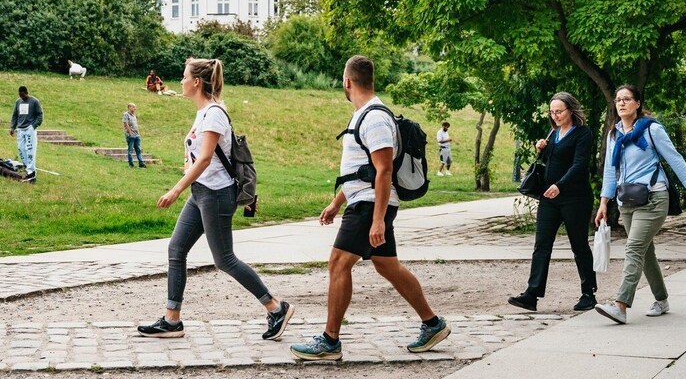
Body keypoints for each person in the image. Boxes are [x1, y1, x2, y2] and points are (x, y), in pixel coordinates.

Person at [290, 55, 450, 361]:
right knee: (387, 265)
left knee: (338, 262)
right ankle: (432, 324)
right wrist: (337, 202)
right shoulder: (364, 114)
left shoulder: (375, 118)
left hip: (369, 206)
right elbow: (360, 169)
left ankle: (330, 341)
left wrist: (377, 220)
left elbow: (384, 171)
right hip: (366, 201)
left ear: (347, 82)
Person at [138, 57, 293, 340]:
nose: (181, 81)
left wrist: (175, 190)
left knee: (224, 259)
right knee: (176, 249)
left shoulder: (214, 114)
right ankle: (172, 320)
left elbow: (206, 158)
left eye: (185, 76)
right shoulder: (203, 113)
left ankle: (276, 307)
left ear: (197, 82)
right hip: (201, 193)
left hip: (216, 194)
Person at [594, 85, 686, 324]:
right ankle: (662, 300)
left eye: (627, 99)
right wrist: (604, 202)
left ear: (638, 103)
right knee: (645, 251)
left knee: (633, 248)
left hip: (653, 198)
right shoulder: (614, 134)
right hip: (627, 201)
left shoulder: (651, 129)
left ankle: (620, 305)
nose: (621, 103)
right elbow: (611, 172)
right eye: (618, 100)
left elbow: (673, 157)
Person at [508, 92, 598, 313]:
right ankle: (532, 294)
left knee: (579, 245)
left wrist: (560, 185)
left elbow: (579, 165)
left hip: (575, 198)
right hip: (549, 198)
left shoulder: (583, 134)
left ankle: (589, 294)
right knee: (541, 245)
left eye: (559, 111)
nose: (555, 115)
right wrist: (542, 149)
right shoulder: (554, 133)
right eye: (552, 112)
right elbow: (553, 161)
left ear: (571, 110)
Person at [9, 86, 43, 184]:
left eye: (23, 95)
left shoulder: (34, 101)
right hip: (20, 129)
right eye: (20, 95)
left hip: (29, 128)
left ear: (26, 92)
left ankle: (32, 173)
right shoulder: (18, 102)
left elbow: (40, 114)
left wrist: (34, 126)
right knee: (20, 149)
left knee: (30, 150)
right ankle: (27, 168)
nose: (22, 97)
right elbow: (15, 115)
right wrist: (12, 127)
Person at [122, 103, 146, 168]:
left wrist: (138, 133)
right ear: (129, 107)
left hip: (136, 135)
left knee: (138, 149)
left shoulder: (134, 115)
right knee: (130, 150)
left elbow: (136, 125)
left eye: (135, 107)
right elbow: (126, 124)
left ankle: (141, 163)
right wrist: (130, 133)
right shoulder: (126, 115)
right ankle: (131, 164)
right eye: (133, 107)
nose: (135, 108)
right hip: (130, 135)